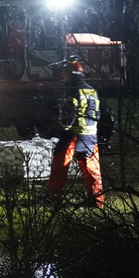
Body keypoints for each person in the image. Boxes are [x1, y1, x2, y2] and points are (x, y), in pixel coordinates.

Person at [46, 58, 104, 207]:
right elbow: (98, 114)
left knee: (60, 165)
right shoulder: (91, 90)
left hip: (73, 135)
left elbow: (69, 116)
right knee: (92, 170)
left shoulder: (72, 91)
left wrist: (62, 129)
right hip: (90, 136)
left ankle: (53, 196)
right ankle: (96, 200)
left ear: (70, 75)